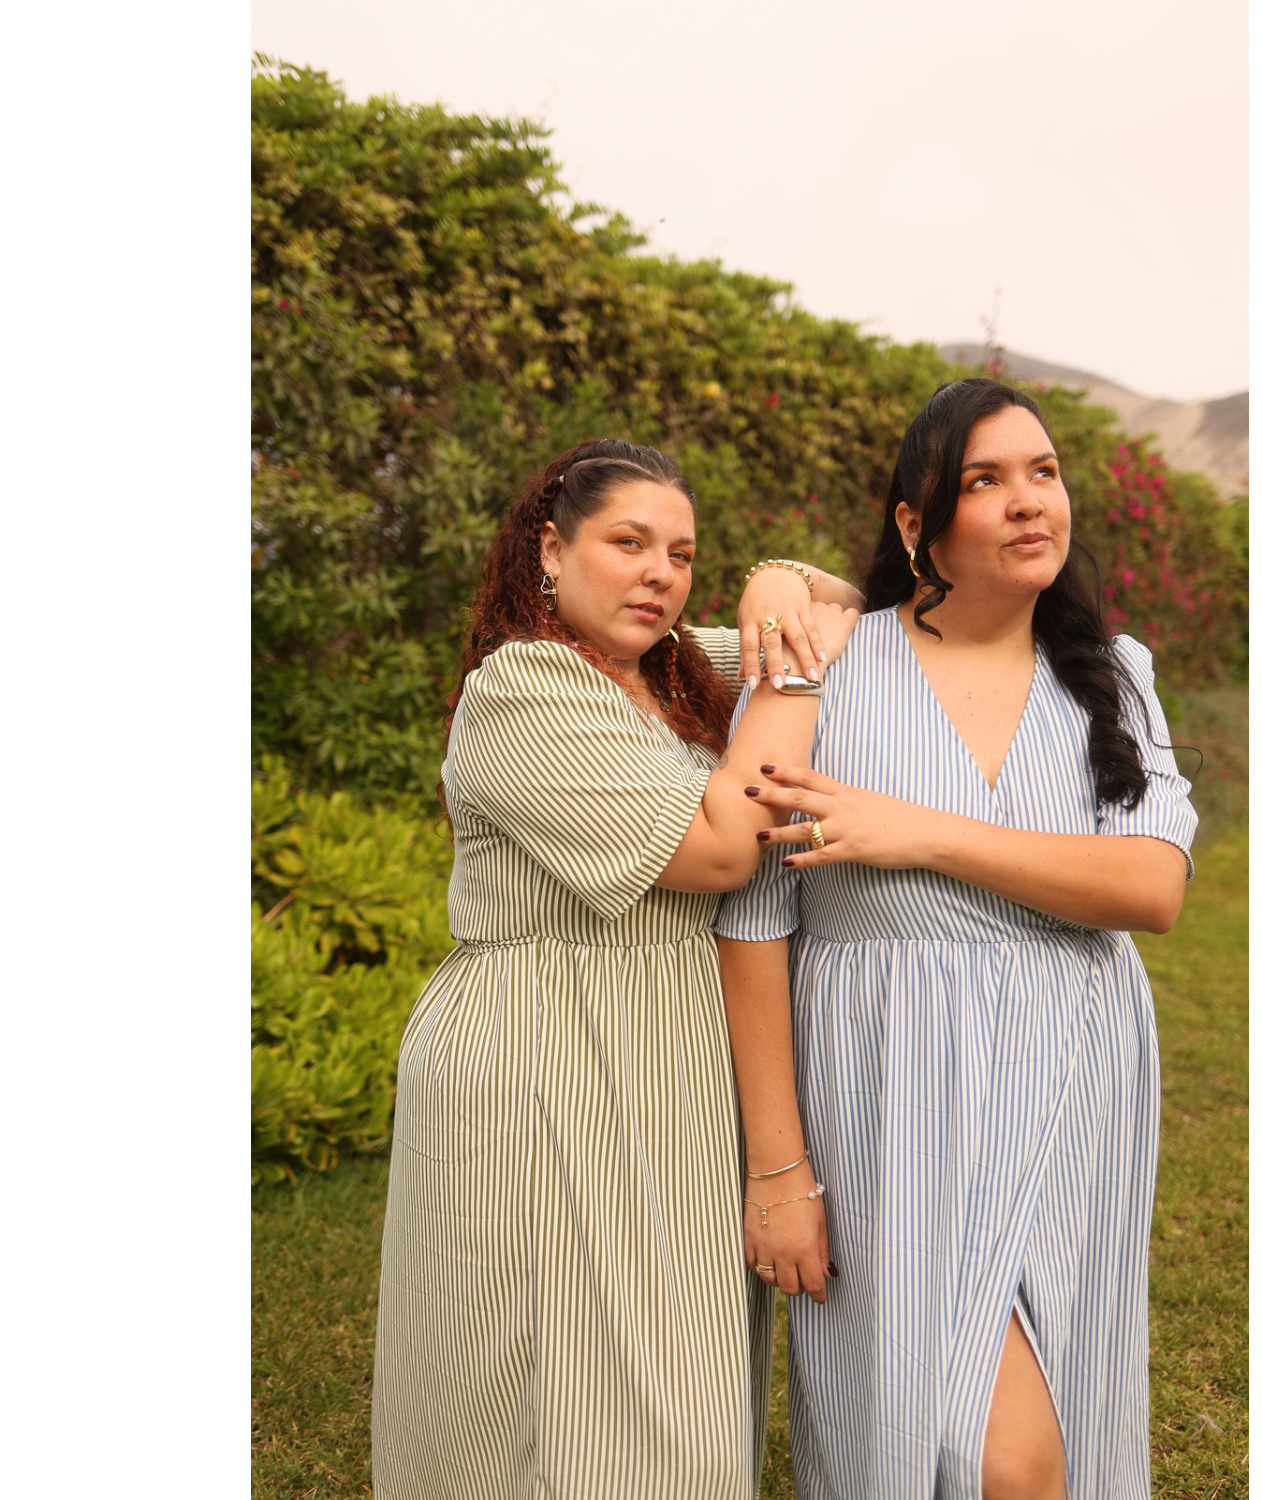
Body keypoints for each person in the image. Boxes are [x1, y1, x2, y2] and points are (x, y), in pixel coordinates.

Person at [715, 379, 1198, 1500]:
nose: (1030, 501)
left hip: (1077, 1088)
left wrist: (923, 833)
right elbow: (755, 921)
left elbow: (1152, 886)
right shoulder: (823, 666)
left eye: (1045, 473)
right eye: (985, 480)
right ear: (914, 523)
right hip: (893, 1094)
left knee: (1055, 1435)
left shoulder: (1114, 675)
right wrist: (778, 1168)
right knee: (973, 1454)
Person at [370, 438, 861, 1500]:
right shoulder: (525, 687)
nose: (658, 574)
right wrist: (791, 659)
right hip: (547, 1058)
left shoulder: (676, 669)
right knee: (536, 1383)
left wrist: (777, 579)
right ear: (551, 551)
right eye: (628, 543)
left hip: (672, 1060)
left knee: (677, 1380)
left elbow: (851, 613)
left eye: (681, 555)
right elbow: (724, 849)